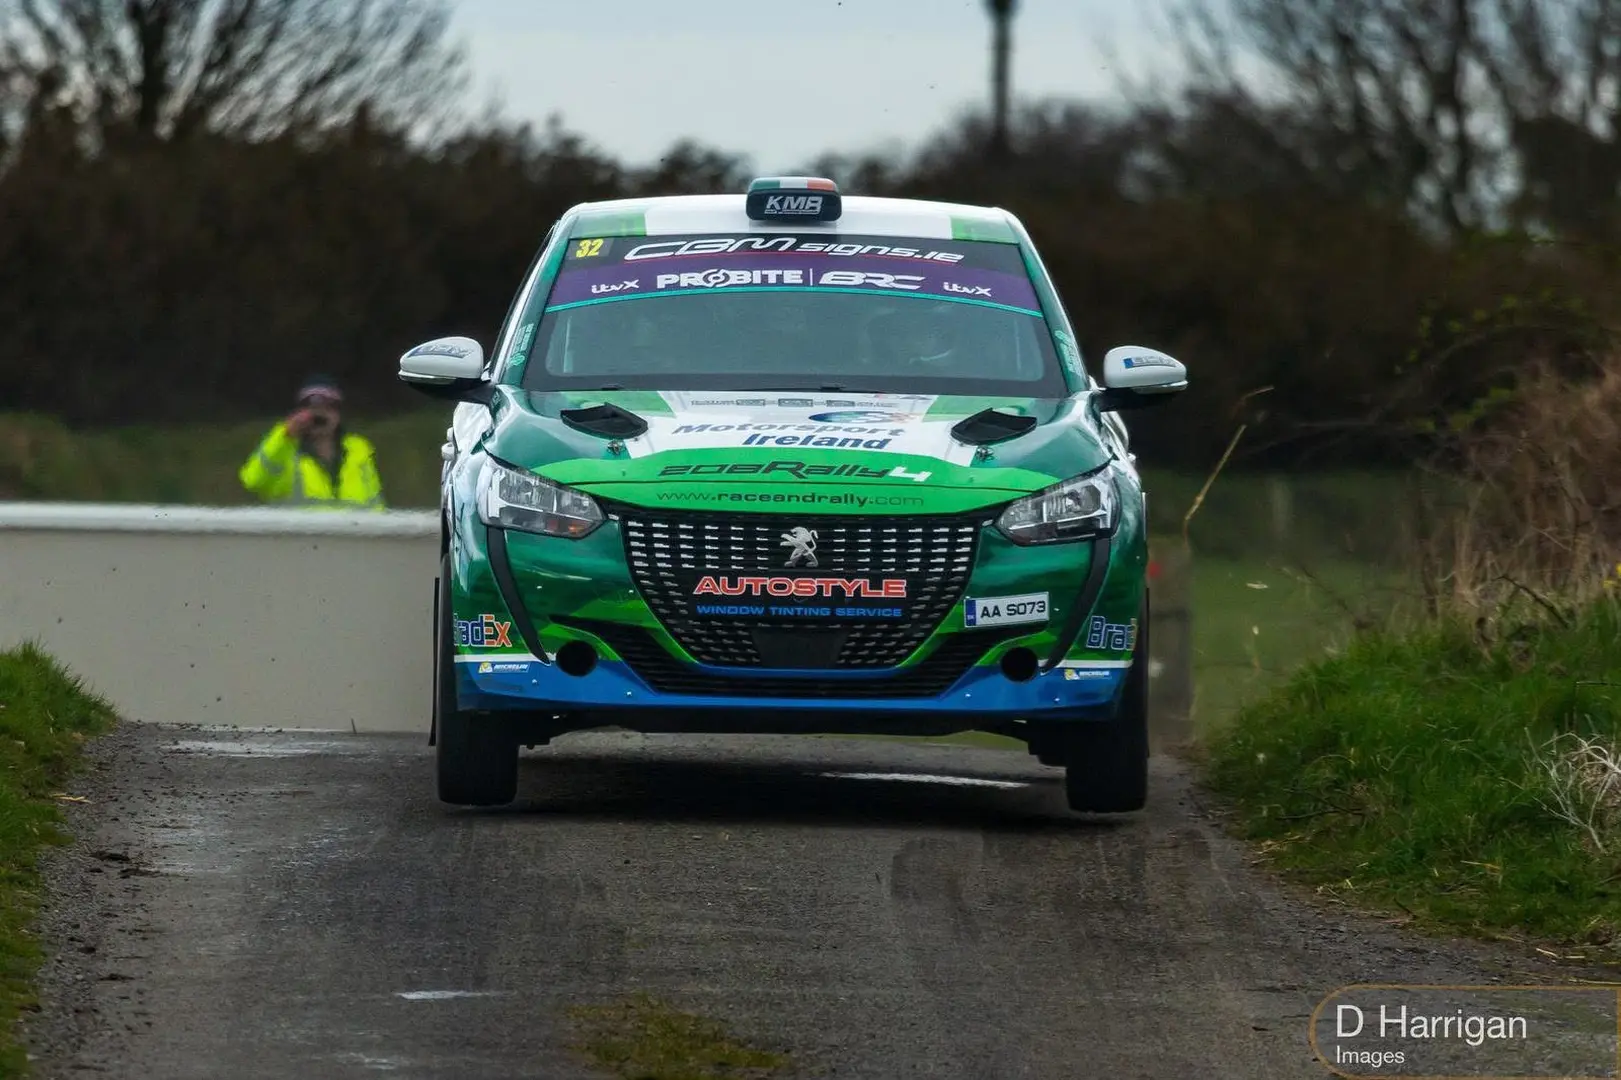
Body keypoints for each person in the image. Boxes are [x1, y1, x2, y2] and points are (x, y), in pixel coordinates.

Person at [239, 375, 385, 509]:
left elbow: (376, 505)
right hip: (301, 531)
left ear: (338, 412)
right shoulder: (285, 451)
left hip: (353, 530)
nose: (319, 413)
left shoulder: (358, 450)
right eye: (311, 407)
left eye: (328, 406)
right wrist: (284, 435)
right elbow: (253, 480)